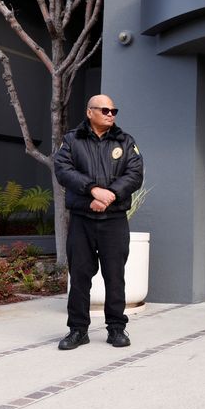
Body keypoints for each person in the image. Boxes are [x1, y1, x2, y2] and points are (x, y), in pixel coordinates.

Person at [54, 94, 143, 350]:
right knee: (80, 276)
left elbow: (135, 174)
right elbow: (63, 170)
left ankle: (116, 328)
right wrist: (93, 190)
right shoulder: (72, 140)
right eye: (105, 110)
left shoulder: (125, 141)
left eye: (114, 110)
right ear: (90, 111)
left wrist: (109, 195)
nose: (111, 114)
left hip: (113, 220)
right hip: (82, 219)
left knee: (115, 276)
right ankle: (78, 330)